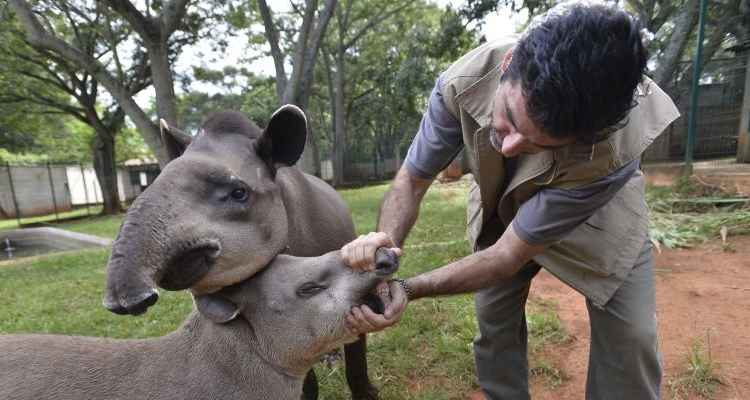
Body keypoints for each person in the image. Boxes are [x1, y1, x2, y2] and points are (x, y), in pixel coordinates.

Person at [340, 2, 680, 399]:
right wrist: (385, 255)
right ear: (509, 64)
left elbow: (506, 257)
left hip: (598, 212)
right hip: (503, 199)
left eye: (537, 142)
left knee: (631, 338)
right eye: (511, 120)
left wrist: (410, 289)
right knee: (494, 319)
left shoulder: (610, 150)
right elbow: (412, 180)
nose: (511, 146)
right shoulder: (461, 81)